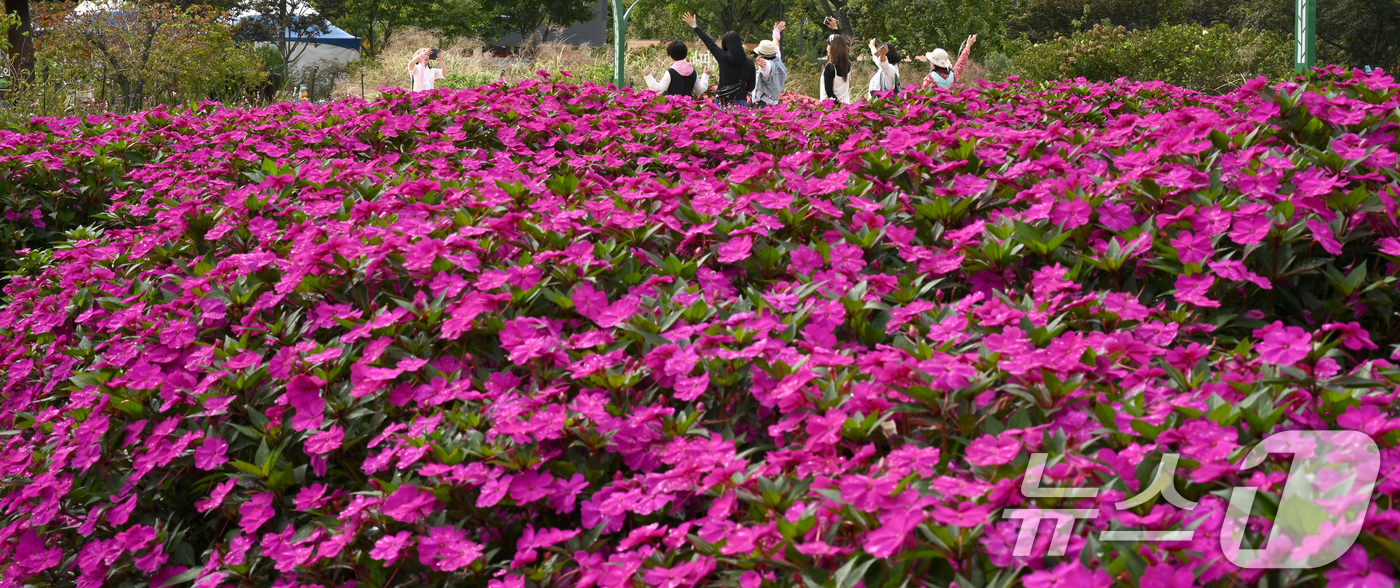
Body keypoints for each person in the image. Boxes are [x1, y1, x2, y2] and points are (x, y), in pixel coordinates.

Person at [683, 12, 755, 108]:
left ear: (725, 44)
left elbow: (710, 43)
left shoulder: (723, 57)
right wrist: (741, 90)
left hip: (723, 102)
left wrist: (695, 26)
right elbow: (751, 86)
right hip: (740, 103)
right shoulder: (749, 63)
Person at [644, 40, 711, 98]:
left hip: (674, 109)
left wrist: (648, 75)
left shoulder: (670, 72)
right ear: (685, 54)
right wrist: (706, 75)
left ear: (671, 56)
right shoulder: (693, 72)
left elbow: (659, 89)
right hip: (688, 108)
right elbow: (700, 90)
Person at [750, 21, 788, 108]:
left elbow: (766, 66)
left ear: (762, 56)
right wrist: (776, 32)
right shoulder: (777, 57)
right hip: (774, 101)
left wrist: (760, 64)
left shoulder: (767, 66)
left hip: (763, 104)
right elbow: (775, 43)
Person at [818, 17, 852, 105]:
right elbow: (840, 44)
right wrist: (835, 30)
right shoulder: (847, 64)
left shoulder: (831, 67)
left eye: (828, 46)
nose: (827, 48)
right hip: (846, 105)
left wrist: (838, 107)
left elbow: (829, 92)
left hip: (831, 109)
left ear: (833, 48)